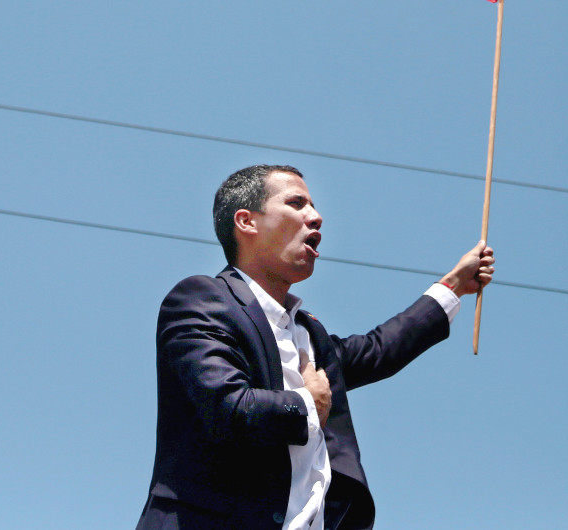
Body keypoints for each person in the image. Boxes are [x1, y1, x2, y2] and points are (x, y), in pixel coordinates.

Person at [135, 164, 495, 530]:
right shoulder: (203, 298)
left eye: (313, 206)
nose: (316, 216)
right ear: (246, 222)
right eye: (296, 203)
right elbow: (228, 407)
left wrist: (453, 286)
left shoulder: (308, 334)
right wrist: (310, 404)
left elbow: (379, 349)